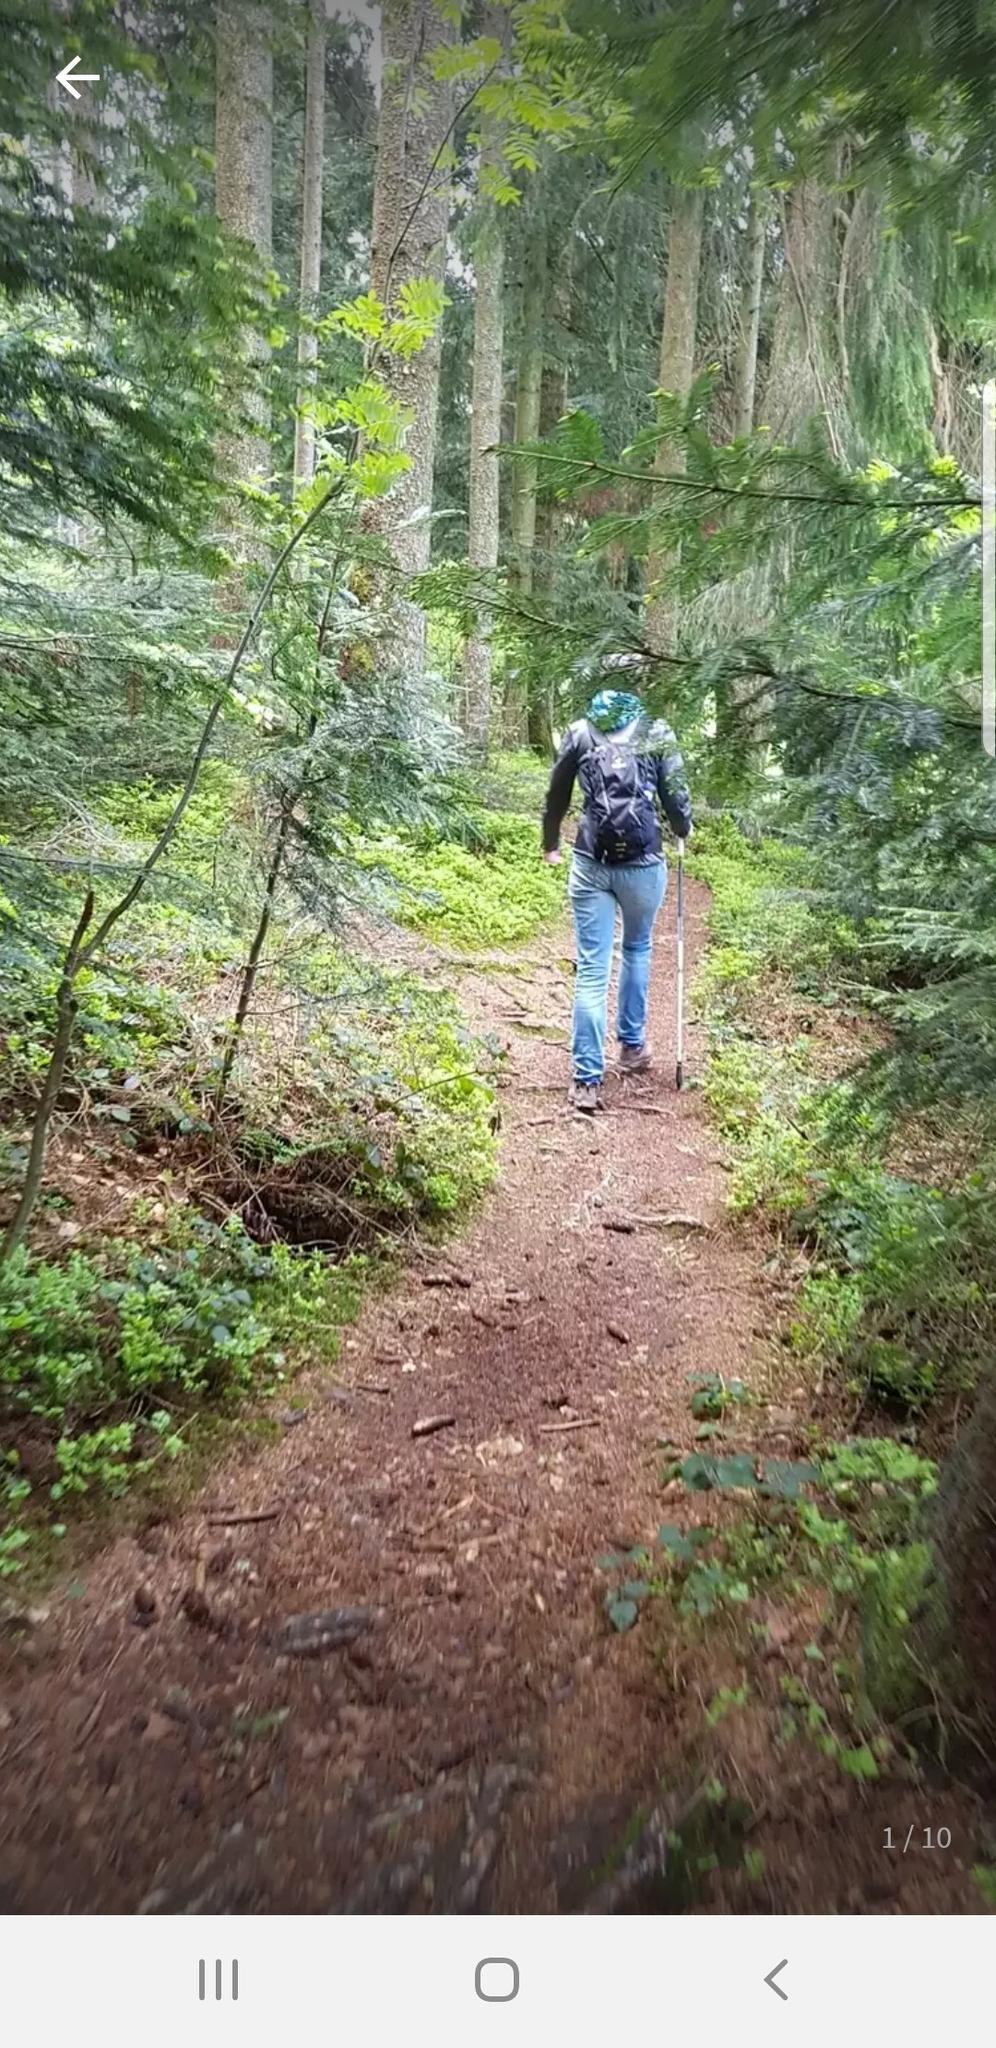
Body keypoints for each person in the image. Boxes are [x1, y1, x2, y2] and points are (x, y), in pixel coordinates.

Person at [540, 660, 693, 1112]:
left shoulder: (580, 731)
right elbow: (675, 794)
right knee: (637, 948)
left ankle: (586, 1080)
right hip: (643, 863)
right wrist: (682, 827)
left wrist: (551, 842)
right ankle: (631, 1046)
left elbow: (557, 792)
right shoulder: (656, 731)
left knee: (592, 966)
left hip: (592, 859)